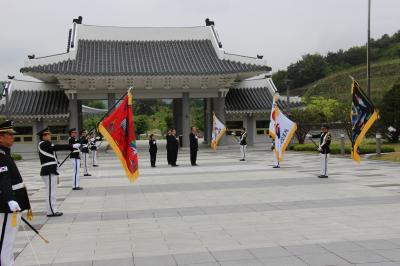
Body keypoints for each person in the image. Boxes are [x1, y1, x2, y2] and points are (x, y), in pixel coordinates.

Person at [0, 120, 32, 266]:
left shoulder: (5, 153)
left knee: (9, 241)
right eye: (9, 135)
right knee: (6, 241)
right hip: (7, 206)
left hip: (12, 204)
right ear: (1, 137)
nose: (12, 137)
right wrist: (9, 200)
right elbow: (3, 179)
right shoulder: (1, 156)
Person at [37, 127, 74, 217]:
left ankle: (53, 209)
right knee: (50, 193)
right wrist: (71, 146)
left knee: (52, 192)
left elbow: (52, 154)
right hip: (48, 171)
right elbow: (57, 147)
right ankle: (51, 211)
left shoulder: (47, 144)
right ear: (43, 136)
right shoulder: (43, 144)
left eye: (49, 134)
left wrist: (56, 164)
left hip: (51, 170)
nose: (50, 136)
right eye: (47, 134)